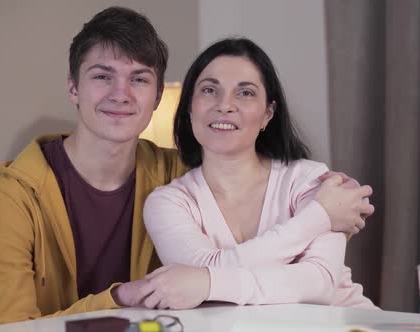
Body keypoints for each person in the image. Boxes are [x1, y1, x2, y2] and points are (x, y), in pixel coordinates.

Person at [0, 7, 371, 325]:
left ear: (157, 97)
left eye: (139, 79)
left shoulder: (174, 170)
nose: (121, 94)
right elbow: (11, 328)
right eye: (102, 76)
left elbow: (301, 269)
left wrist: (328, 206)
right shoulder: (14, 196)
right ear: (73, 88)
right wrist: (117, 297)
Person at [143, 38, 377, 309]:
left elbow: (319, 284)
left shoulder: (312, 181)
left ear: (268, 114)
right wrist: (319, 216)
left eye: (245, 93)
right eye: (209, 90)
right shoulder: (167, 203)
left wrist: (209, 283)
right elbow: (196, 279)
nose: (225, 105)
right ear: (189, 107)